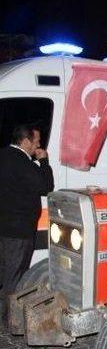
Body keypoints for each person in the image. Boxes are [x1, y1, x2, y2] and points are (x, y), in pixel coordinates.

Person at [0, 125, 54, 323]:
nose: (38, 145)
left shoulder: (3, 155)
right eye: (36, 141)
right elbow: (46, 187)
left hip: (3, 227)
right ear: (25, 141)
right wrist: (44, 162)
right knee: (15, 276)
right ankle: (12, 320)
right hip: (19, 230)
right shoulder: (22, 162)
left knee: (5, 273)